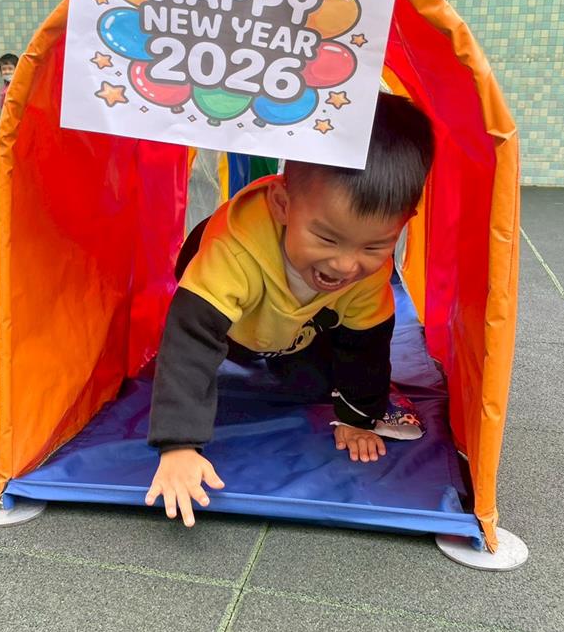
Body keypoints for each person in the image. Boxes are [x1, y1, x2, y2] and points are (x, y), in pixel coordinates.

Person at [145, 92, 435, 527]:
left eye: (374, 245)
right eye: (327, 238)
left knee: (312, 384)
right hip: (235, 326)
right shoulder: (234, 252)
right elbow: (191, 339)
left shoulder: (367, 272)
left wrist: (359, 417)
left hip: (301, 327)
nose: (346, 264)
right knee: (211, 352)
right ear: (283, 205)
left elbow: (367, 344)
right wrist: (178, 445)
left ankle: (293, 355)